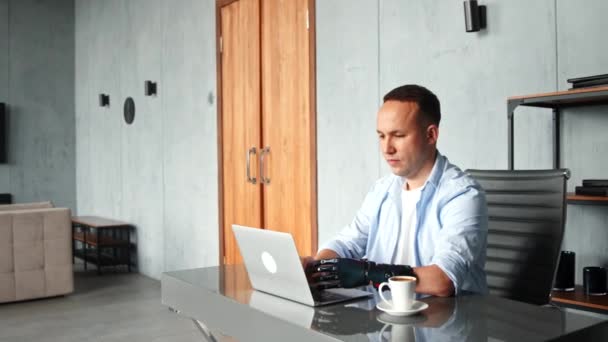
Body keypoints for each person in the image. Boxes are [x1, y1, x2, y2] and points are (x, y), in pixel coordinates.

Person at [305, 84, 488, 297]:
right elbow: (348, 242)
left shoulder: (463, 195)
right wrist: (318, 268)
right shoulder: (382, 190)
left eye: (398, 135)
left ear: (431, 135)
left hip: (444, 322)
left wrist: (369, 274)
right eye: (381, 136)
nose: (387, 148)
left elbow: (442, 279)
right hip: (385, 318)